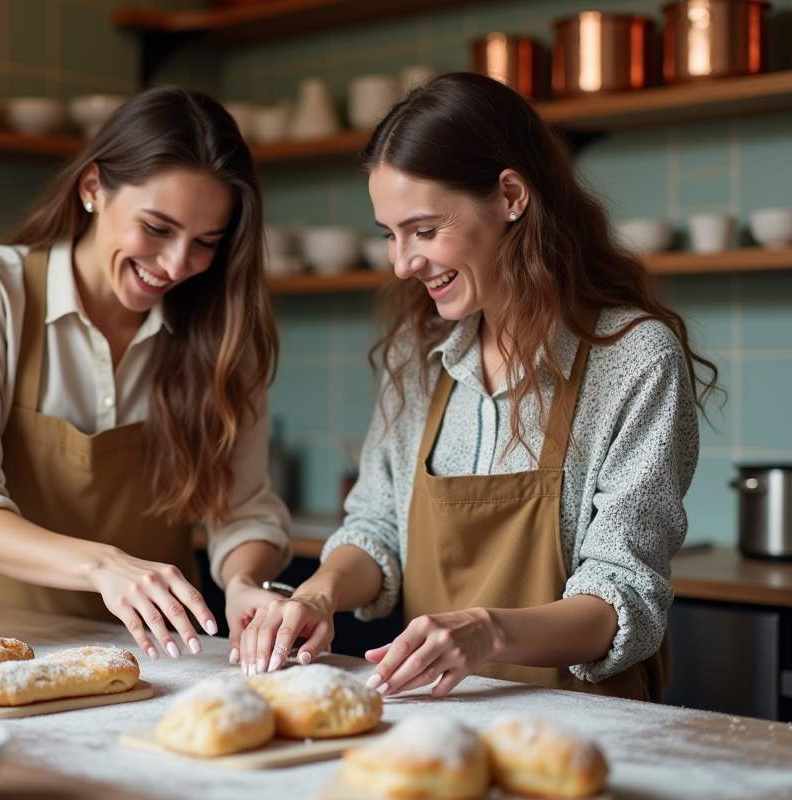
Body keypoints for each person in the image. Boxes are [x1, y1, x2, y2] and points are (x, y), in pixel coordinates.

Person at [237, 72, 719, 702]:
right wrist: (317, 593)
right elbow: (378, 525)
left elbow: (620, 596)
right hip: (441, 720)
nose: (402, 263)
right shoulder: (420, 352)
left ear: (512, 195)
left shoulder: (633, 358)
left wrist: (484, 631)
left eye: (425, 230)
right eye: (390, 234)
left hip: (586, 728)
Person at [0, 85, 293, 663]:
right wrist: (104, 566)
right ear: (93, 187)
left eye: (205, 243)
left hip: (160, 657)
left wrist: (244, 582)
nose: (174, 266)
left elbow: (244, 511)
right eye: (157, 228)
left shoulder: (222, 336)